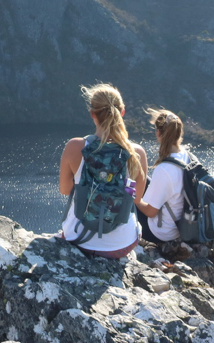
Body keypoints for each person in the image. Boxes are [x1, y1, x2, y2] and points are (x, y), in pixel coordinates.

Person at [59, 83, 147, 258]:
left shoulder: (75, 146)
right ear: (122, 112)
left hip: (78, 239)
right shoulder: (136, 153)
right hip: (121, 244)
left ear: (92, 114)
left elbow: (65, 190)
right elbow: (136, 198)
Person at [135, 108, 193, 261]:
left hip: (163, 233)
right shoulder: (186, 156)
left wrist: (134, 199)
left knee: (127, 193)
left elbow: (150, 212)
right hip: (183, 224)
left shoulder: (164, 169)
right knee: (143, 178)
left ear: (159, 134)